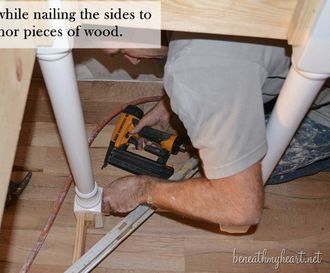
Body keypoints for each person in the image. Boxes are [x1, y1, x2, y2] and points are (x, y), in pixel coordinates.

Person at [102, 33, 330, 226]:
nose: (131, 61)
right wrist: (172, 105)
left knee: (254, 170)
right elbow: (225, 63)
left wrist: (142, 190)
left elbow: (239, 206)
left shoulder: (197, 68)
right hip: (300, 71)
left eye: (123, 49)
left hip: (323, 105)